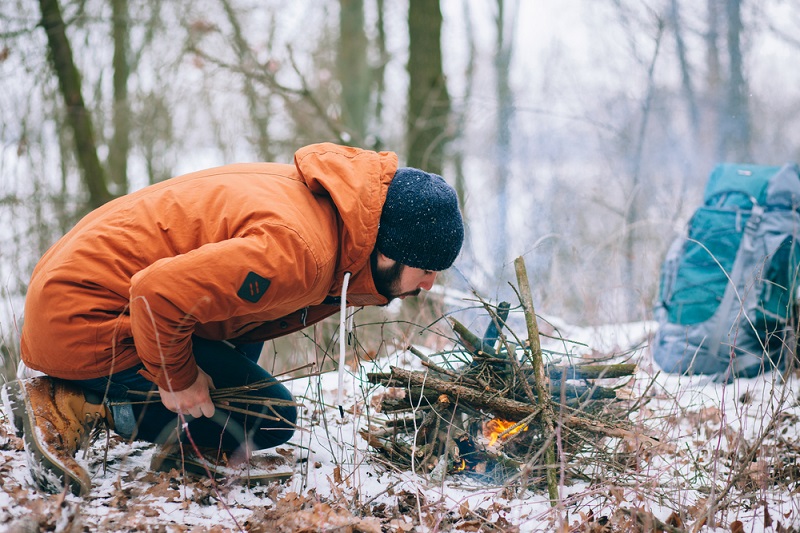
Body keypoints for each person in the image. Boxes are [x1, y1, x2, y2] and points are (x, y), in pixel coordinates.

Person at [3, 142, 464, 496]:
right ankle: (75, 401)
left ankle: (180, 442)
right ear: (390, 250)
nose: (427, 285)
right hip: (84, 316)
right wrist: (178, 378)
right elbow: (154, 293)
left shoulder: (332, 212)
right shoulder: (301, 254)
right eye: (425, 270)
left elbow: (213, 299)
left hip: (80, 291)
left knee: (240, 382)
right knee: (269, 418)